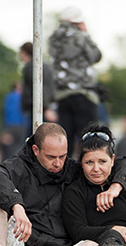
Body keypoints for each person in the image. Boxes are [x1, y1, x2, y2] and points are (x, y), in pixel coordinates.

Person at [48, 6, 102, 157]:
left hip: (62, 94)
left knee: (67, 137)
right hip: (83, 92)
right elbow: (96, 56)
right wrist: (86, 33)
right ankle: (89, 173)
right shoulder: (80, 36)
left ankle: (66, 174)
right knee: (89, 138)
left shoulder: (54, 38)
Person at [19, 42, 57, 139]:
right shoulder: (47, 65)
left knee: (32, 140)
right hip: (46, 107)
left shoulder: (31, 67)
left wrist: (46, 107)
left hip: (38, 108)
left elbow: (39, 87)